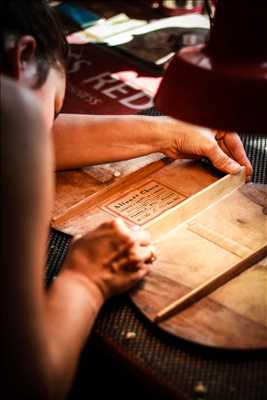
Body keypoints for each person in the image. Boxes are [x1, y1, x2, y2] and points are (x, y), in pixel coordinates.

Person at [0, 1, 252, 399]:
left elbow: (37, 133)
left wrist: (166, 132)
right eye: (53, 107)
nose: (43, 127)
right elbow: (30, 385)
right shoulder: (11, 104)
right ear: (23, 57)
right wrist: (86, 280)